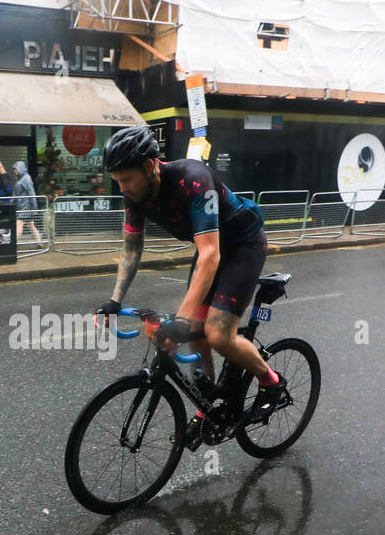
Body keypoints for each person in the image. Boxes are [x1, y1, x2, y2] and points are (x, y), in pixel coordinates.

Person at [93, 124, 278, 452]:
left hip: (243, 244)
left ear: (149, 166)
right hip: (212, 249)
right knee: (194, 331)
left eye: (126, 179)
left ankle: (270, 381)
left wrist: (180, 318)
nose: (122, 187)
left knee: (218, 334)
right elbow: (132, 250)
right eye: (117, 180)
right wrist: (113, 299)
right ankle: (208, 406)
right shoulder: (135, 195)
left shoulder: (192, 178)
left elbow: (210, 254)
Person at [12, 160, 44, 245]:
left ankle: (13, 245)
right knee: (31, 226)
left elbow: (31, 193)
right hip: (23, 206)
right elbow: (16, 193)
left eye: (16, 169)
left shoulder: (26, 178)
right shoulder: (20, 178)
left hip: (26, 207)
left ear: (20, 169)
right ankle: (39, 243)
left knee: (19, 224)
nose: (15, 171)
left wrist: (34, 207)